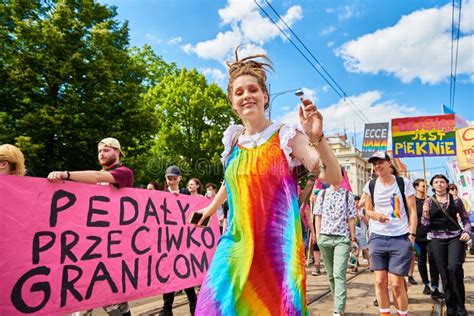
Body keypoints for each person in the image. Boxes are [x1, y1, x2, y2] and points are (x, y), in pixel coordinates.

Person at [193, 48, 342, 315]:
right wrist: (210, 209)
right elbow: (232, 181)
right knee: (211, 308)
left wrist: (317, 139)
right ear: (232, 102)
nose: (246, 96)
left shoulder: (286, 136)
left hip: (277, 251)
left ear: (265, 96)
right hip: (236, 244)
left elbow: (332, 177)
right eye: (238, 92)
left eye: (252, 89)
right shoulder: (232, 140)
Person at [48, 137, 133, 316]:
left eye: (106, 150)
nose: (102, 154)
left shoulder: (124, 172)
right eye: (100, 151)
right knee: (81, 302)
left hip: (112, 250)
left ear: (117, 152)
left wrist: (66, 174)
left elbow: (97, 177)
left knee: (116, 305)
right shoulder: (94, 177)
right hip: (91, 249)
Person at [364, 151, 417, 316]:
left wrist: (412, 235)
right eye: (374, 164)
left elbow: (413, 210)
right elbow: (367, 211)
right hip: (378, 237)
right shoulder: (370, 185)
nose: (377, 166)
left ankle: (402, 313)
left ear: (389, 164)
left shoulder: (403, 182)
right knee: (380, 282)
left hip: (400, 237)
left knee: (396, 284)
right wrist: (375, 215)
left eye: (380, 162)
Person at [422, 174, 471, 316]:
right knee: (444, 273)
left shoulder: (456, 200)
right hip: (437, 239)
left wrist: (467, 231)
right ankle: (450, 306)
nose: (439, 184)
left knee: (454, 268)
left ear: (447, 184)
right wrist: (425, 214)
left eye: (442, 182)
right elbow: (425, 225)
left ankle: (461, 306)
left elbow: (466, 219)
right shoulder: (429, 202)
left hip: (455, 237)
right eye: (436, 182)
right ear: (432, 185)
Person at [314, 171, 356, 316]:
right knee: (331, 275)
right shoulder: (322, 194)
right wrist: (318, 236)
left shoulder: (347, 195)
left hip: (341, 239)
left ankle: (338, 309)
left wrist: (353, 237)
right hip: (324, 238)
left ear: (342, 176)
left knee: (339, 274)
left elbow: (351, 218)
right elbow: (317, 216)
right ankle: (337, 300)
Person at [160, 165, 197, 316]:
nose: (171, 181)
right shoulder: (159, 195)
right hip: (167, 244)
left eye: (174, 178)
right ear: (165, 179)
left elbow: (195, 212)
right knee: (168, 280)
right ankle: (166, 310)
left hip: (184, 244)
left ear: (179, 179)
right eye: (169, 178)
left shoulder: (186, 195)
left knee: (187, 280)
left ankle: (195, 310)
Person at [412, 178, 441, 298]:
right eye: (423, 186)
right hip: (417, 237)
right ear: (416, 187)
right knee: (421, 260)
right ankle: (426, 284)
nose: (425, 188)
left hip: (431, 236)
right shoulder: (412, 201)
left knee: (433, 260)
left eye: (426, 187)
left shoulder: (431, 200)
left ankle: (435, 287)